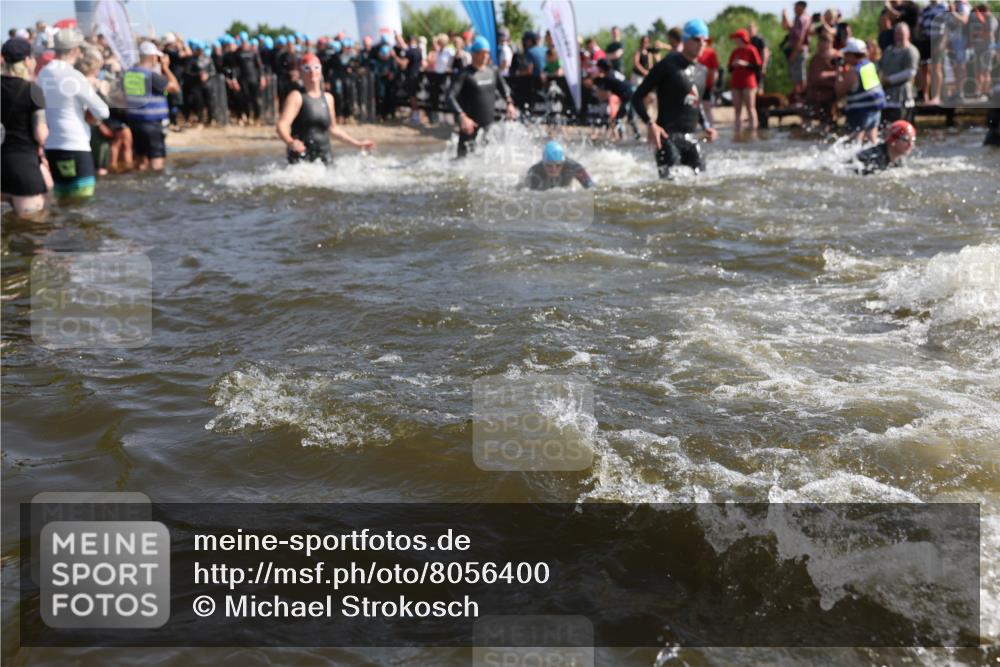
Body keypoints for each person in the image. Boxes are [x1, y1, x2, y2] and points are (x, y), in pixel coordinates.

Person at [633, 19, 718, 179]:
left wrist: (706, 125)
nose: (701, 44)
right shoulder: (668, 65)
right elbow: (637, 97)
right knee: (670, 188)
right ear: (685, 40)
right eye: (696, 39)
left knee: (703, 184)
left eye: (705, 40)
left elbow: (695, 102)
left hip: (692, 138)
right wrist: (650, 124)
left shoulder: (702, 71)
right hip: (666, 137)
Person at [36, 27, 109, 200]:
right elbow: (103, 112)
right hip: (76, 145)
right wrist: (98, 90)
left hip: (52, 146)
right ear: (75, 50)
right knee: (83, 203)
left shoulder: (43, 73)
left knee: (63, 201)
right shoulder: (74, 76)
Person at [275, 53, 375, 165]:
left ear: (321, 71)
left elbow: (333, 129)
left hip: (324, 158)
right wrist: (290, 142)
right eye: (307, 68)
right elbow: (281, 125)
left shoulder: (328, 98)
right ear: (301, 72)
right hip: (301, 161)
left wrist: (357, 144)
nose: (312, 71)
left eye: (316, 67)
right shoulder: (296, 96)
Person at [1, 37, 50, 216]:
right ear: (28, 61)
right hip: (22, 167)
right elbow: (40, 135)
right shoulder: (33, 91)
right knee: (32, 230)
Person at [446, 35, 517, 158]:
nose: (485, 56)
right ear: (474, 54)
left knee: (487, 163)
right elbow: (450, 97)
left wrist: (509, 104)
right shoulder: (465, 74)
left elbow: (504, 88)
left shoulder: (493, 71)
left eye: (487, 53)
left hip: (488, 128)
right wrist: (462, 117)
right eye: (481, 53)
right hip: (470, 128)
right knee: (461, 166)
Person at [124, 41, 180, 171]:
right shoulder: (151, 76)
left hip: (134, 122)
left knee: (140, 160)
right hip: (152, 124)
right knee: (156, 162)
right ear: (152, 57)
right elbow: (175, 88)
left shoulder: (129, 74)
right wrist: (166, 68)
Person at [836, 38, 886, 143]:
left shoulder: (854, 71)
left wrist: (838, 74)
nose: (844, 57)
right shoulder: (869, 66)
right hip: (875, 110)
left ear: (852, 55)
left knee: (855, 142)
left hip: (860, 112)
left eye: (846, 54)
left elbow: (839, 91)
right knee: (872, 141)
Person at [880, 23, 920, 124]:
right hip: (887, 97)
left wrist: (889, 80)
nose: (899, 36)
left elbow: (911, 72)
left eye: (901, 33)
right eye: (897, 33)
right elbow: (880, 66)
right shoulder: (888, 50)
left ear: (908, 34)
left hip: (903, 98)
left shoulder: (911, 51)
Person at [594, 58, 641, 140]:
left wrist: (596, 80)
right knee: (629, 116)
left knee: (619, 118)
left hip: (628, 95)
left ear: (601, 68)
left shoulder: (608, 77)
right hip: (632, 92)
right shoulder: (613, 72)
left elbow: (605, 93)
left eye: (598, 68)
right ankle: (636, 134)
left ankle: (622, 136)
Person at [728, 29, 763, 133]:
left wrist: (745, 64)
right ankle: (737, 132)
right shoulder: (735, 51)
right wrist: (734, 64)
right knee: (737, 109)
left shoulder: (752, 49)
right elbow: (729, 68)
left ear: (743, 39)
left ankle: (753, 131)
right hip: (736, 82)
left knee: (751, 108)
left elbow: (758, 67)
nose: (736, 41)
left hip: (749, 83)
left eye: (737, 38)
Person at [523, 141, 594, 190]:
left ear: (563, 163)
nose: (554, 169)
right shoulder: (535, 172)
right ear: (543, 163)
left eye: (558, 165)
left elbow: (591, 188)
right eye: (549, 165)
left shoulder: (574, 167)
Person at [806, 32, 841, 129]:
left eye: (824, 42)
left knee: (829, 117)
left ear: (830, 43)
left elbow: (845, 72)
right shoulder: (815, 58)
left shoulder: (837, 56)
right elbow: (811, 76)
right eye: (820, 42)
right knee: (808, 117)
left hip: (832, 92)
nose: (820, 45)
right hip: (816, 93)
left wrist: (828, 74)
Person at [916, 0, 948, 104]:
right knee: (924, 68)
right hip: (925, 40)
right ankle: (925, 96)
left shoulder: (943, 8)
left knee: (936, 68)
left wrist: (942, 42)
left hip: (938, 39)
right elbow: (920, 26)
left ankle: (936, 96)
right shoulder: (925, 10)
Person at [782, 1, 813, 103]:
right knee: (796, 75)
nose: (794, 9)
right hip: (798, 50)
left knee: (800, 76)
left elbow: (800, 37)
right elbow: (788, 28)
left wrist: (794, 52)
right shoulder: (799, 18)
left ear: (802, 7)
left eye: (796, 7)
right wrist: (784, 17)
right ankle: (798, 97)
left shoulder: (801, 19)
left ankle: (802, 98)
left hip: (799, 51)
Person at [968, 4, 997, 97]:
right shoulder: (981, 19)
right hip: (978, 48)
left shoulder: (991, 19)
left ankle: (986, 91)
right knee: (978, 71)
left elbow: (989, 33)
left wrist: (977, 33)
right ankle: (979, 91)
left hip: (987, 48)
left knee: (986, 71)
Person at [697, 38, 720, 125]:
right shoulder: (693, 52)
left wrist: (713, 85)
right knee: (695, 107)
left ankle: (711, 127)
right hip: (695, 85)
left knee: (707, 107)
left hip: (707, 85)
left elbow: (715, 70)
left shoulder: (711, 52)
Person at [748, 21, 770, 93]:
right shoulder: (749, 40)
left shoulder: (760, 39)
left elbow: (765, 52)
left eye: (751, 29)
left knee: (759, 84)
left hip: (759, 65)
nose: (750, 31)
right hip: (752, 66)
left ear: (756, 29)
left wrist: (763, 66)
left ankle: (759, 101)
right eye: (749, 29)